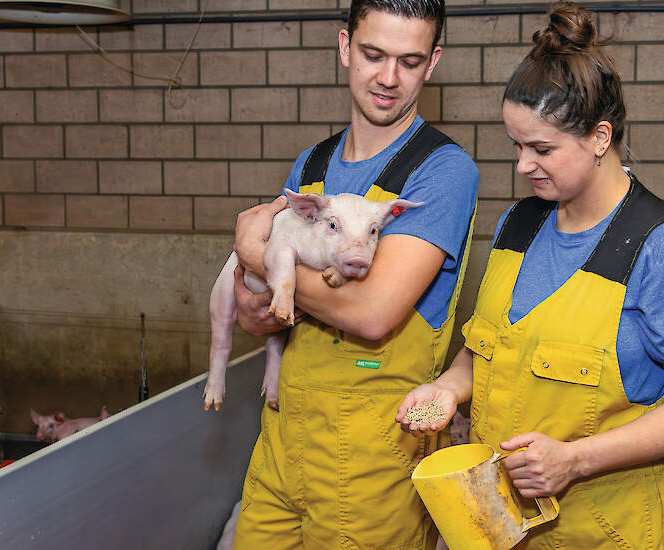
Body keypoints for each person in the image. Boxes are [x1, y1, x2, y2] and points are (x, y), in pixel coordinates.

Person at [396, 2, 664, 548]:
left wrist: (575, 460)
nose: (522, 165)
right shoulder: (519, 223)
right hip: (510, 524)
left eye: (542, 148)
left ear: (601, 137)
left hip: (616, 530)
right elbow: (486, 352)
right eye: (516, 145)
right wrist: (446, 390)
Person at [229, 0, 479, 547]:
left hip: (370, 458)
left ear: (433, 62)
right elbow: (265, 315)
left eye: (410, 62)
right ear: (344, 47)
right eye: (373, 54)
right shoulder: (310, 168)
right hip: (282, 439)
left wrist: (258, 259)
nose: (389, 78)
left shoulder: (440, 171)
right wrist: (256, 302)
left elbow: (372, 312)